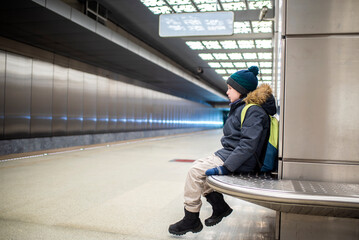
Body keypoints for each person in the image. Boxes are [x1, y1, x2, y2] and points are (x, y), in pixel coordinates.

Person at [168, 66, 277, 236]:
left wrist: (226, 167)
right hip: (230, 153)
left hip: (243, 160)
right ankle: (220, 207)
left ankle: (191, 219)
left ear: (241, 90)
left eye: (230, 88)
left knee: (195, 172)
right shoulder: (243, 108)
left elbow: (248, 145)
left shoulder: (253, 111)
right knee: (199, 168)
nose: (227, 92)